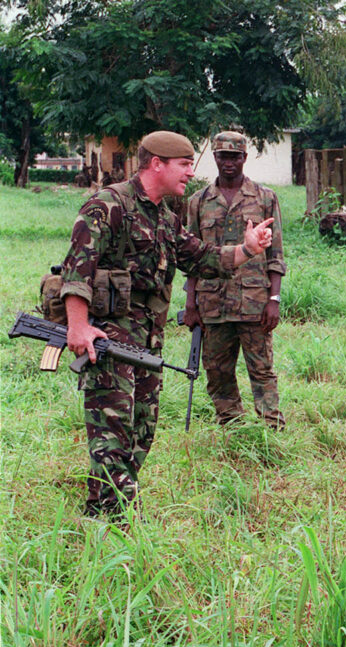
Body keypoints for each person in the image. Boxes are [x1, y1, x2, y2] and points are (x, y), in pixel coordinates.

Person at [58, 130, 275, 517]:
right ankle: (117, 525)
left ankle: (99, 512)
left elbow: (202, 258)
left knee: (142, 432)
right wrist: (78, 327)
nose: (191, 173)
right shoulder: (108, 205)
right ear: (156, 163)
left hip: (148, 343)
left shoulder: (164, 216)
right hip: (108, 340)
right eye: (184, 164)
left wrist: (248, 249)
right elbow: (78, 272)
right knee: (113, 436)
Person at [183, 131, 287, 429]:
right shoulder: (198, 201)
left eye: (235, 156)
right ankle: (232, 426)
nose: (228, 162)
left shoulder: (265, 198)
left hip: (255, 302)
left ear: (244, 158)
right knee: (217, 371)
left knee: (262, 370)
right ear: (214, 157)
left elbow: (276, 254)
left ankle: (271, 428)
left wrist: (274, 299)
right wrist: (191, 304)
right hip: (212, 303)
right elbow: (191, 256)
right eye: (222, 156)